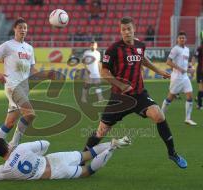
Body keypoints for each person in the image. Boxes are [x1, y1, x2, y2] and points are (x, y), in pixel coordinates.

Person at [82, 17, 187, 169]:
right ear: (120, 31)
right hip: (119, 97)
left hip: (139, 94)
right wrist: (120, 85)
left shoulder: (140, 45)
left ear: (134, 29)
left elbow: (142, 59)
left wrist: (158, 70)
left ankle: (172, 153)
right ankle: (82, 158)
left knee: (159, 115)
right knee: (101, 131)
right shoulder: (113, 49)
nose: (126, 32)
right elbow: (104, 72)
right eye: (123, 29)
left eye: (129, 29)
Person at [0, 18, 38, 163]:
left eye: (25, 28)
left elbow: (32, 68)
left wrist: (45, 74)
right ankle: (13, 146)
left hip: (24, 87)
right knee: (30, 114)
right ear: (14, 29)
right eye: (20, 27)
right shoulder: (7, 45)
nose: (23, 30)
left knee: (9, 123)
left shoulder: (30, 48)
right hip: (12, 85)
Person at [0, 136, 131, 180]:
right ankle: (112, 143)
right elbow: (45, 143)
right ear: (8, 145)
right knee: (87, 155)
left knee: (87, 170)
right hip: (54, 159)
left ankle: (113, 148)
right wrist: (36, 155)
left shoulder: (4, 170)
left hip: (55, 173)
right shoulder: (22, 148)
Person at [161, 31, 197, 126]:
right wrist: (180, 69)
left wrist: (190, 68)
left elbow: (186, 63)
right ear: (177, 39)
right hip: (176, 78)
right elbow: (168, 62)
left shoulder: (187, 49)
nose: (182, 39)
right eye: (180, 38)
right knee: (170, 98)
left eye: (183, 38)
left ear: (186, 39)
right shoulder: (175, 49)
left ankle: (188, 119)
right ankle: (161, 114)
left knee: (189, 96)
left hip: (185, 78)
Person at [191, 40, 203, 110]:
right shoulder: (200, 48)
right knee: (201, 88)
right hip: (200, 71)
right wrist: (192, 67)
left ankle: (198, 98)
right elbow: (194, 57)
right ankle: (199, 105)